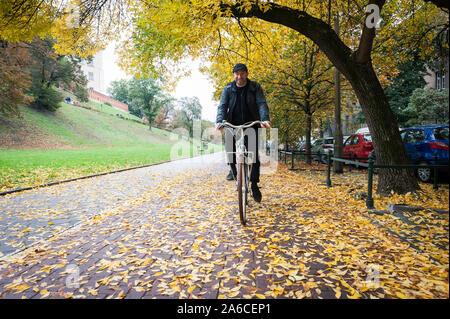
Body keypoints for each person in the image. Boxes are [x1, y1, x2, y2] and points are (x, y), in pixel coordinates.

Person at [215, 63, 271, 202]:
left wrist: (264, 119)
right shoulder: (228, 88)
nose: (239, 76)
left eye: (242, 73)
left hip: (251, 123)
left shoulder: (255, 87)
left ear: (246, 74)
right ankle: (234, 172)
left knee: (253, 154)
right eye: (237, 74)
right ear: (234, 75)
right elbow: (223, 105)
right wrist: (219, 121)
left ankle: (254, 184)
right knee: (230, 149)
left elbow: (261, 103)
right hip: (232, 123)